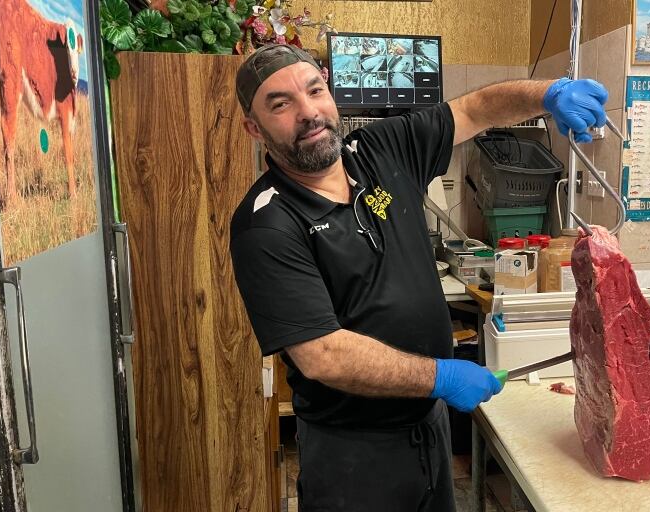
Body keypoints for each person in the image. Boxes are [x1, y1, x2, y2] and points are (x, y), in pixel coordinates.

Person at [229, 44, 608, 512]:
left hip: (428, 429)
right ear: (254, 127)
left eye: (315, 90)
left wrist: (547, 94)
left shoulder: (379, 148)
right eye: (280, 104)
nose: (309, 113)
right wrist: (441, 375)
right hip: (352, 454)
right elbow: (322, 355)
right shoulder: (266, 223)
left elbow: (474, 109)